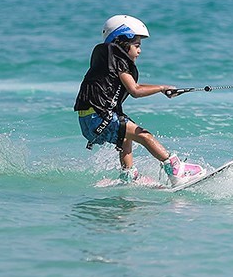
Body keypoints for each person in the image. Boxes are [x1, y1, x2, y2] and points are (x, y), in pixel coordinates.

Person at [74, 15, 205, 186]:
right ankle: (175, 170)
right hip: (98, 117)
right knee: (144, 135)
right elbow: (135, 90)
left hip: (88, 120)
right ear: (121, 42)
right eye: (136, 46)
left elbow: (133, 85)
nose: (139, 51)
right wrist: (161, 88)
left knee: (126, 137)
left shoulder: (109, 61)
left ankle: (128, 176)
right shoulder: (116, 58)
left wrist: (162, 88)